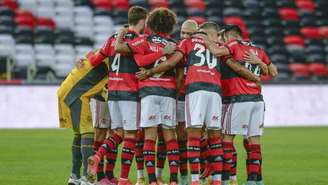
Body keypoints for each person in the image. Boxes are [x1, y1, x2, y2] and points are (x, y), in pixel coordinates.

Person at [200, 25, 272, 185]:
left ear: (228, 36)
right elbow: (272, 72)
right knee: (254, 142)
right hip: (257, 100)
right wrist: (260, 63)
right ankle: (254, 181)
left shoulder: (232, 45)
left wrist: (202, 39)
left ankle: (225, 179)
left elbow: (217, 52)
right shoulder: (258, 49)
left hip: (239, 99)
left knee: (226, 139)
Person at [115, 7, 180, 185]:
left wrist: (121, 34)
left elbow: (139, 61)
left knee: (149, 137)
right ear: (171, 26)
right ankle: (173, 180)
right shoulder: (175, 45)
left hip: (149, 92)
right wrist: (165, 52)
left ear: (150, 24)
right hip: (168, 92)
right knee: (170, 136)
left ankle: (151, 181)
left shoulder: (143, 39)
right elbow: (179, 68)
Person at [86, 6, 149, 185]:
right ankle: (122, 179)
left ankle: (98, 158)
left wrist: (86, 56)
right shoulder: (140, 39)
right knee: (130, 135)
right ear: (142, 21)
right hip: (130, 92)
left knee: (118, 133)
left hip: (112, 92)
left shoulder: (112, 38)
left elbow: (94, 61)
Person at [57, 50, 109, 185]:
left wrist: (83, 58)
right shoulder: (116, 59)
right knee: (88, 132)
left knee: (79, 133)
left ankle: (74, 176)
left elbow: (91, 55)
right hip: (76, 95)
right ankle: (87, 178)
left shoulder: (103, 51)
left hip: (66, 91)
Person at [175, 19, 199, 185]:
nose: (184, 36)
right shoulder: (176, 48)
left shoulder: (200, 51)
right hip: (180, 97)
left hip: (196, 96)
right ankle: (183, 176)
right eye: (183, 32)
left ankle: (204, 175)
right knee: (181, 138)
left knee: (200, 138)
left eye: (189, 34)